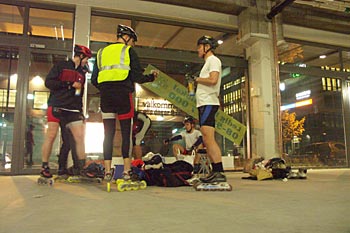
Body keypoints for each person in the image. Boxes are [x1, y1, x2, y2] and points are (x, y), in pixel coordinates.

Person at [91, 24, 158, 181]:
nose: (133, 44)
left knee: (108, 134)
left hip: (106, 96)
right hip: (123, 95)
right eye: (133, 41)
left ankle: (108, 172)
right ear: (127, 38)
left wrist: (106, 86)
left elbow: (95, 79)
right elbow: (137, 76)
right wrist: (151, 77)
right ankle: (127, 172)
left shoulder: (101, 52)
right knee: (127, 133)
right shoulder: (128, 51)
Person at [40, 44, 92, 178]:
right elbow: (49, 83)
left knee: (80, 136)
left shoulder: (82, 73)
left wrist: (80, 111)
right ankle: (44, 167)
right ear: (80, 56)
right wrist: (68, 84)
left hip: (73, 109)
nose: (86, 61)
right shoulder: (61, 66)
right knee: (51, 135)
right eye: (86, 58)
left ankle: (81, 167)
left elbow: (78, 94)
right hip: (57, 105)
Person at [193, 35, 226, 183]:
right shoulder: (208, 62)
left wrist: (197, 79)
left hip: (208, 102)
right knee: (207, 138)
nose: (198, 50)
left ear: (207, 47)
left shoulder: (213, 60)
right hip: (204, 103)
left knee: (208, 138)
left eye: (200, 47)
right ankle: (216, 170)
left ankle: (219, 171)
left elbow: (213, 80)